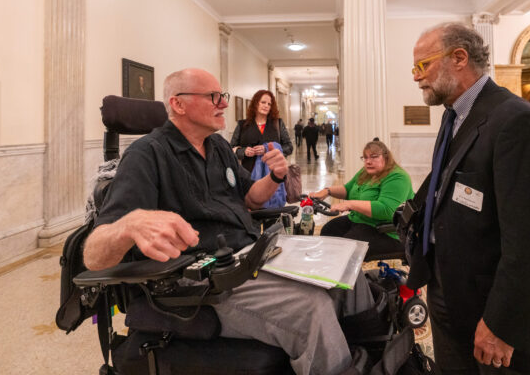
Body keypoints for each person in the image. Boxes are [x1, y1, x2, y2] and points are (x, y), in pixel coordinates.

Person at [82, 68, 374, 375]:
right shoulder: (147, 155)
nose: (222, 103)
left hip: (248, 257)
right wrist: (131, 224)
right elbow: (93, 256)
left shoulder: (218, 146)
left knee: (347, 271)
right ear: (178, 104)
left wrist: (276, 176)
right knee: (312, 308)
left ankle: (370, 357)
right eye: (213, 97)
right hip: (203, 284)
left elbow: (251, 198)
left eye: (223, 96)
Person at [406, 23, 530, 374]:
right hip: (449, 290)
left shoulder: (518, 122)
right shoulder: (454, 117)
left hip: (491, 307)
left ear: (459, 58)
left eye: (423, 66)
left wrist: (502, 324)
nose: (416, 77)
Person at [310, 139, 413, 260]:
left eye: (374, 157)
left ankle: (345, 276)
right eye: (365, 158)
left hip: (386, 230)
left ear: (386, 157)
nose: (368, 161)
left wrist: (351, 204)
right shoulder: (366, 172)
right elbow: (348, 190)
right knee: (329, 230)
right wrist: (327, 191)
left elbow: (386, 210)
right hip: (361, 220)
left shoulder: (397, 177)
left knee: (346, 247)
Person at [231, 90, 293, 173]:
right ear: (256, 103)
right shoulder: (242, 125)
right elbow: (231, 149)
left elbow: (289, 147)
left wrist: (267, 149)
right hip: (248, 173)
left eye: (269, 104)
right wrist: (243, 151)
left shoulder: (277, 123)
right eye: (263, 102)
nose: (266, 106)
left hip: (272, 172)